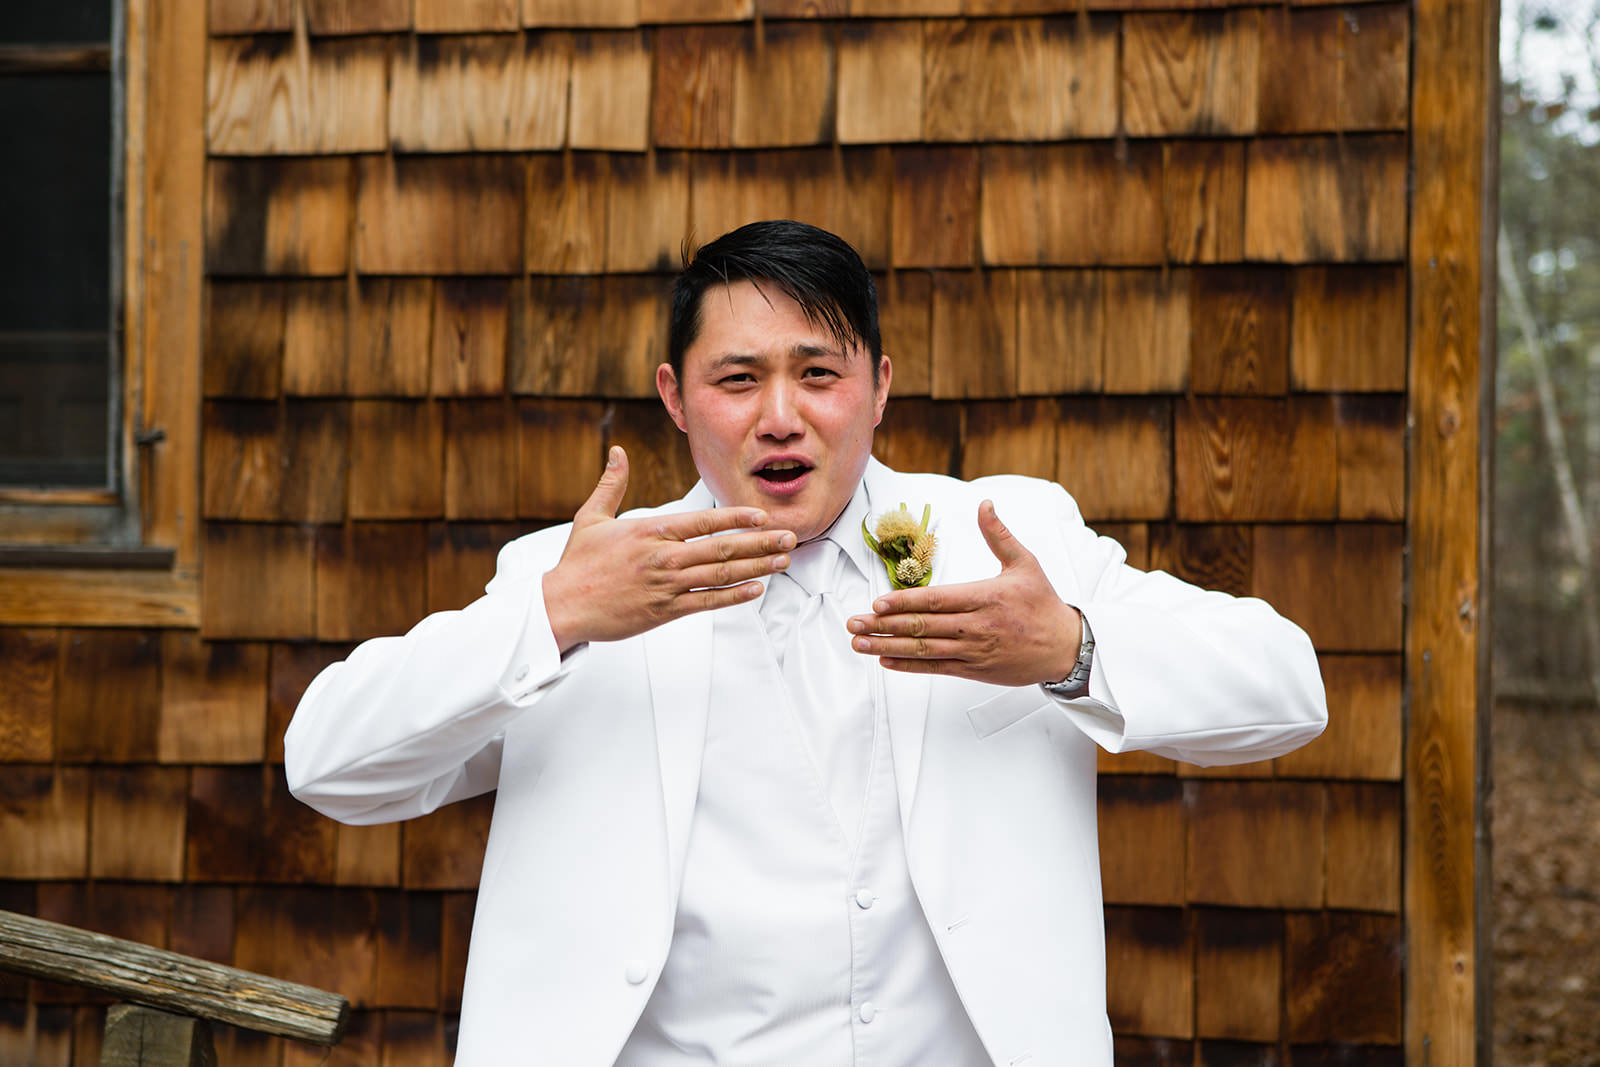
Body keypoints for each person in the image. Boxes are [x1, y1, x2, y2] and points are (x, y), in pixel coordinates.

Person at [285, 220, 1327, 1066]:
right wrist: (551, 617)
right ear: (674, 398)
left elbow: (1287, 690)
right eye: (737, 379)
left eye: (818, 373)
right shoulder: (575, 577)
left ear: (878, 383)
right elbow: (329, 763)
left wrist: (1068, 647)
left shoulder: (1013, 542)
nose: (780, 416)